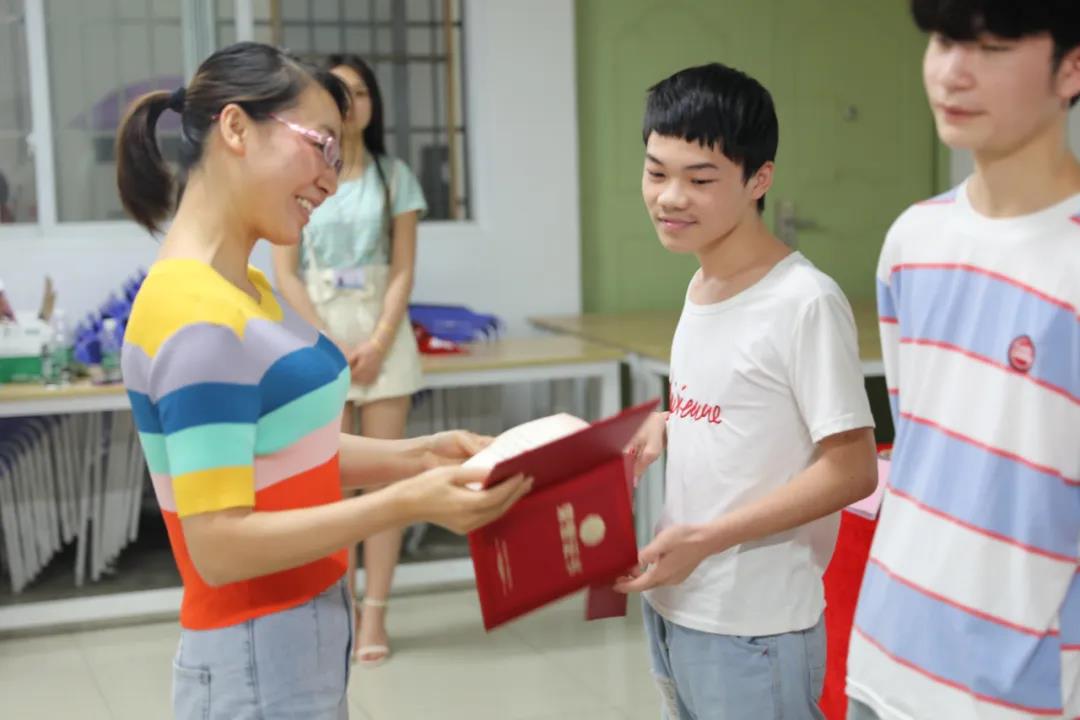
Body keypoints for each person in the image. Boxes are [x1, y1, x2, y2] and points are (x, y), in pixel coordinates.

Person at [116, 41, 530, 719]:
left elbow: (280, 454)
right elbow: (218, 546)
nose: (330, 180)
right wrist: (407, 502)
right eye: (320, 146)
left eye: (339, 155)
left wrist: (420, 456)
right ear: (236, 128)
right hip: (255, 646)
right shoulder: (195, 318)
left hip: (296, 629)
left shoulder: (241, 287)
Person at [617, 63, 878, 720]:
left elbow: (852, 468)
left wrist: (708, 539)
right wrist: (666, 421)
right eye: (656, 172)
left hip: (755, 627)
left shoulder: (804, 302)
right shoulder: (702, 283)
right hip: (677, 604)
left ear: (759, 179)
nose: (670, 197)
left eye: (700, 180)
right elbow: (736, 402)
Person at [846, 2, 1080, 718]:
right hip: (882, 658)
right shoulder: (912, 241)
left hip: (1019, 690)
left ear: (1071, 68)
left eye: (992, 47)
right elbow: (922, 449)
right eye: (944, 41)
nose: (953, 72)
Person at [271, 52, 424, 667]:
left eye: (359, 93)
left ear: (373, 104)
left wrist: (379, 340)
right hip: (319, 338)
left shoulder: (395, 176)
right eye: (339, 93)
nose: (350, 104)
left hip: (383, 340)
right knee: (329, 483)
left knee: (384, 480)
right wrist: (325, 342)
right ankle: (341, 607)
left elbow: (404, 268)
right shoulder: (299, 172)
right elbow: (285, 271)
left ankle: (376, 611)